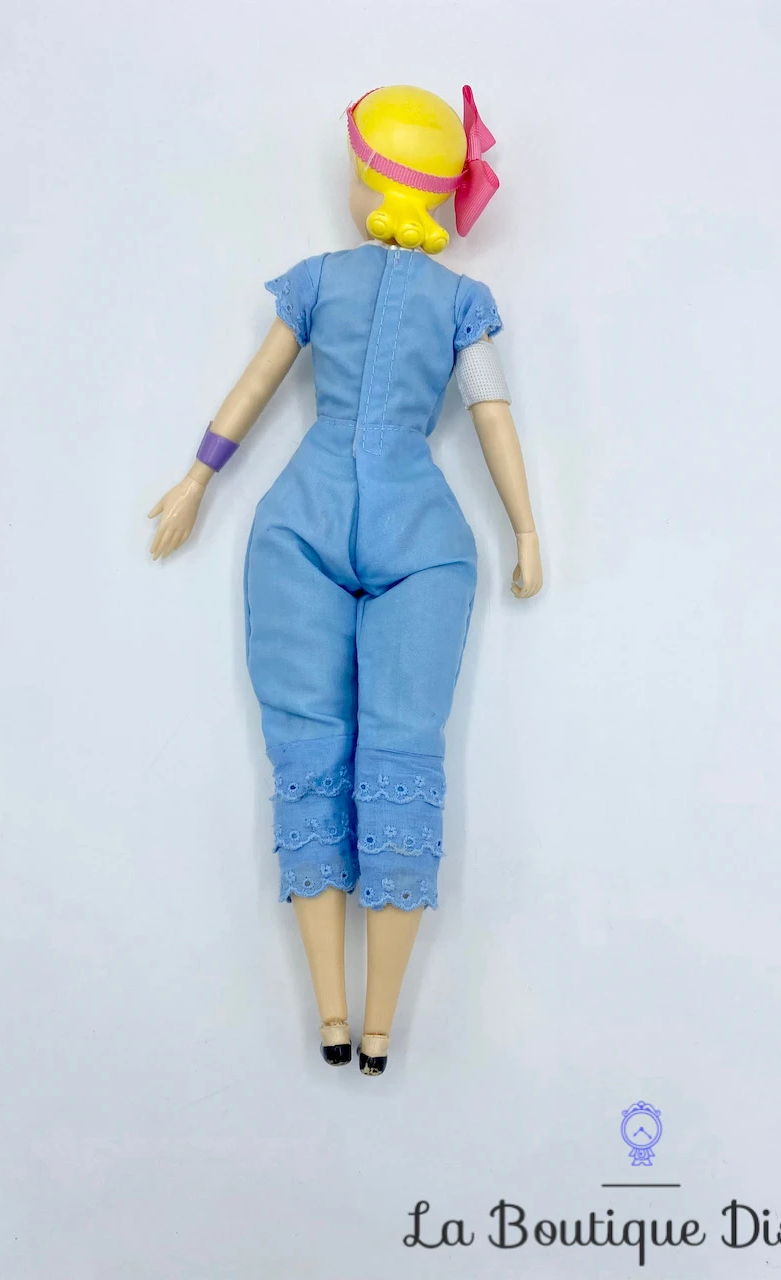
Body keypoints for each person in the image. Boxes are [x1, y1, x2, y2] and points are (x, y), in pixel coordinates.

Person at [147, 84, 543, 1076]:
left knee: (336, 749)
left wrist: (199, 477)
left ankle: (347, 1016)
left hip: (321, 523)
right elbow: (490, 414)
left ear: (373, 175)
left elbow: (254, 387)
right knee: (362, 747)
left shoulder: (358, 287)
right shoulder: (431, 299)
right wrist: (524, 528)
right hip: (401, 530)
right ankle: (362, 1022)